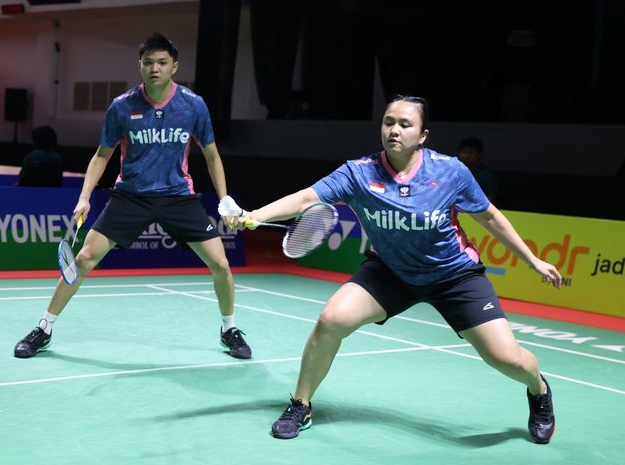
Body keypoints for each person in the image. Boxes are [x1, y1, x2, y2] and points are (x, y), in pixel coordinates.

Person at [238, 96, 561, 443]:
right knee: (331, 319)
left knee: (506, 358)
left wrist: (532, 259)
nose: (394, 130)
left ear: (423, 135)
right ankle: (301, 403)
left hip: (452, 275)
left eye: (405, 124)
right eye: (389, 122)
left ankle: (539, 388)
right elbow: (306, 199)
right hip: (391, 271)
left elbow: (490, 217)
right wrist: (255, 215)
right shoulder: (359, 173)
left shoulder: (450, 171)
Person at [14, 33, 251, 360]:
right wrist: (84, 198)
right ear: (140, 65)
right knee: (83, 259)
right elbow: (102, 155)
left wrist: (224, 200)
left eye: (162, 62)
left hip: (177, 196)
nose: (155, 68)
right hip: (131, 197)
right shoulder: (122, 107)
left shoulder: (192, 105)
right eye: (149, 62)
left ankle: (229, 329)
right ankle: (44, 327)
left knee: (221, 265)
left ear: (174, 66)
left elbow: (211, 155)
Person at [458, 137, 499, 204]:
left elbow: (490, 202)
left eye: (470, 152)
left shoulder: (487, 176)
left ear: (479, 154)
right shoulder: (455, 173)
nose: (466, 155)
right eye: (464, 152)